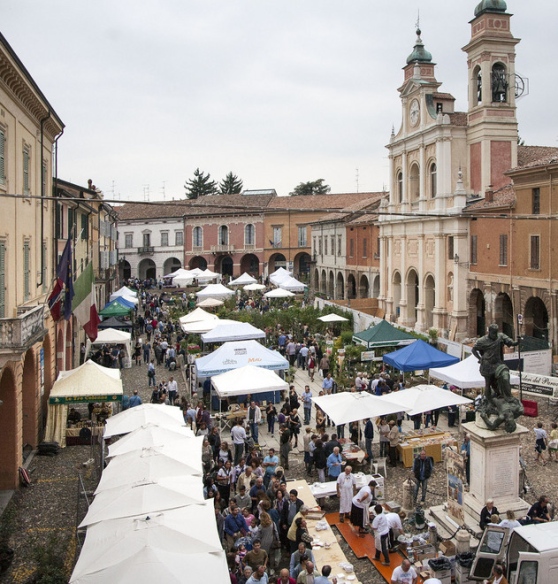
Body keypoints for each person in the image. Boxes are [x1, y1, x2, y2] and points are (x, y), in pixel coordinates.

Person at [473, 323, 519, 401]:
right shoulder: (482, 340)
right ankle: (489, 401)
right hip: (487, 365)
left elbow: (511, 342)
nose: (494, 335)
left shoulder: (500, 336)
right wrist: (480, 359)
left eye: (496, 333)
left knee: (505, 377)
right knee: (488, 384)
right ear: (489, 332)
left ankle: (508, 396)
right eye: (493, 333)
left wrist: (517, 342)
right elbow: (474, 350)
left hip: (498, 364)